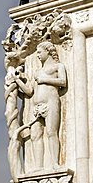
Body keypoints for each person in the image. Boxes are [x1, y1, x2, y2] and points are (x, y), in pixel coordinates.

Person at [14, 41, 67, 171]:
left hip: (51, 102)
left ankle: (55, 163)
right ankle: (38, 167)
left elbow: (63, 82)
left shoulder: (57, 66)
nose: (38, 55)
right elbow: (29, 91)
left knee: (51, 132)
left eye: (39, 52)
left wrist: (45, 79)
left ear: (48, 51)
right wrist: (17, 80)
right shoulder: (37, 72)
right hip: (36, 106)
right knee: (35, 135)